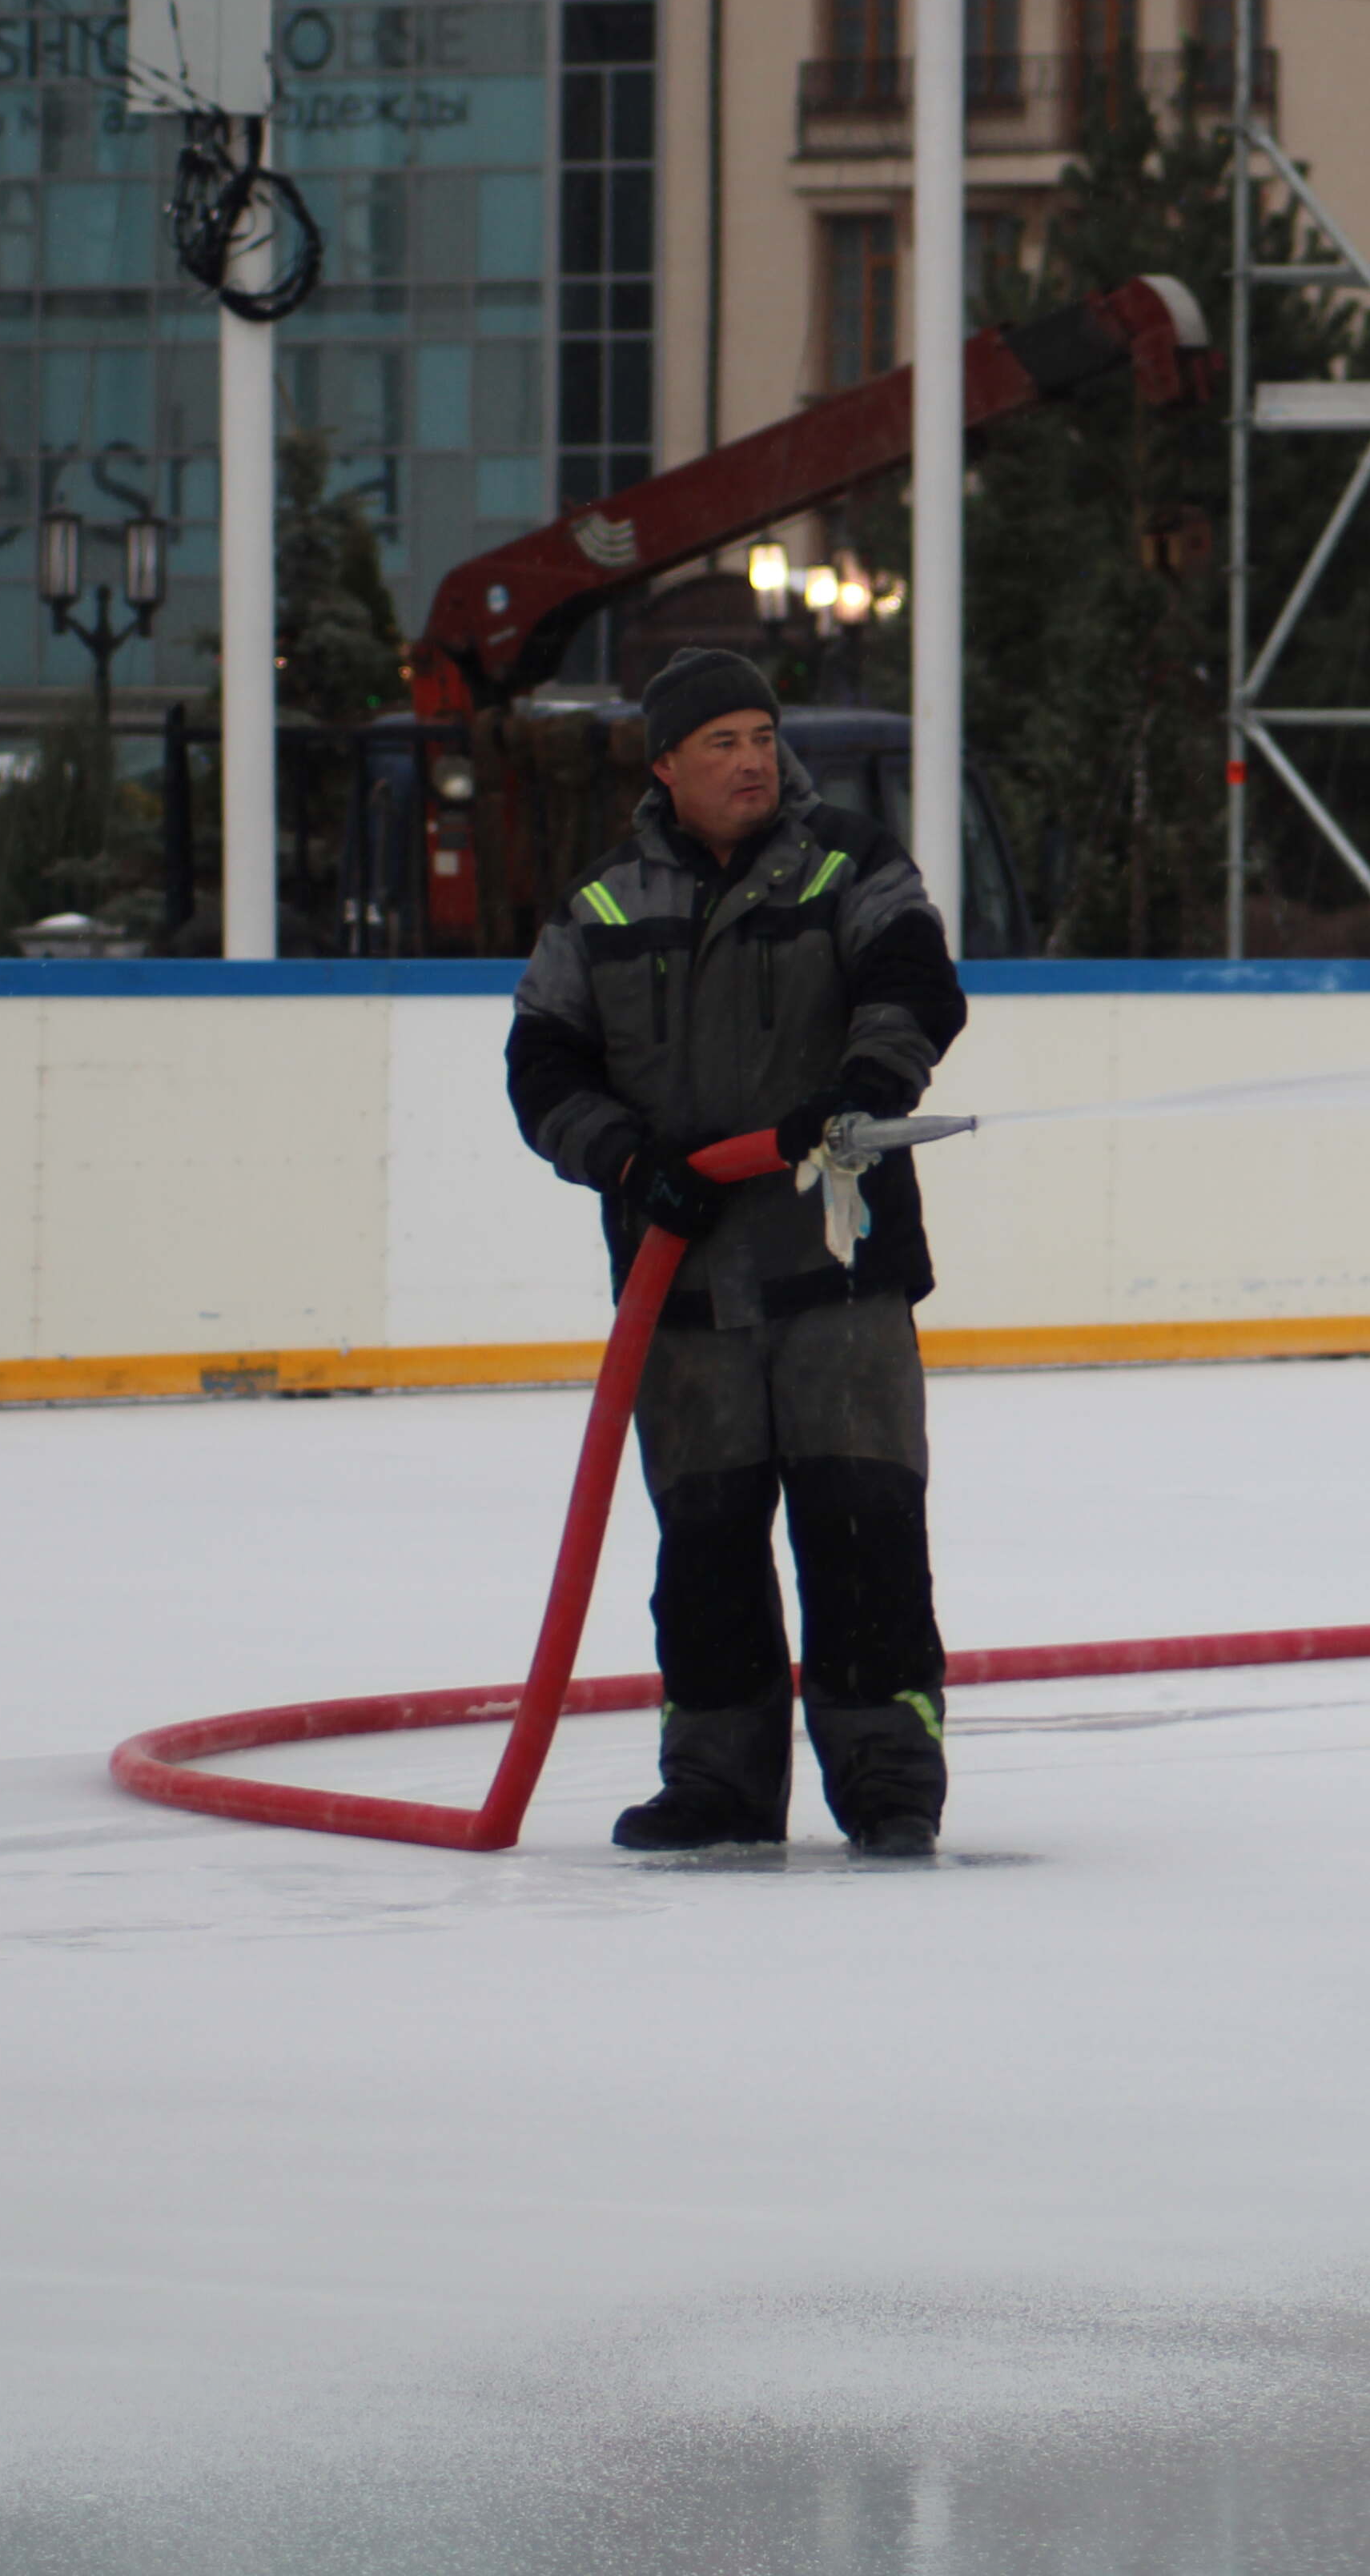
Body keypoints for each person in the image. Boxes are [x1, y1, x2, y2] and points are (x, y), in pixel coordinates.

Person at [506, 648, 967, 1856]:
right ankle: (716, 1782)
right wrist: (623, 1158)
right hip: (689, 1283)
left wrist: (868, 1081)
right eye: (722, 742)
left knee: (863, 1526)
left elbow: (916, 978)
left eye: (763, 735)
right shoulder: (602, 906)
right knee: (704, 1545)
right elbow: (540, 1065)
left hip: (838, 1270)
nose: (753, 759)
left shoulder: (849, 863)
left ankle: (886, 1779)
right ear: (666, 765)